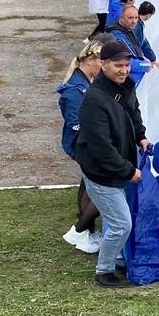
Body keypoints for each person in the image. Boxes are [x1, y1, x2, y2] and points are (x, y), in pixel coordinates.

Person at [73, 40, 149, 288]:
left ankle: (118, 259)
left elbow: (134, 112)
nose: (124, 70)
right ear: (103, 64)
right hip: (102, 173)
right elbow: (100, 146)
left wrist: (141, 136)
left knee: (116, 217)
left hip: (121, 165)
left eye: (126, 65)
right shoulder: (94, 100)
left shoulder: (126, 86)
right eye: (118, 65)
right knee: (121, 223)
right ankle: (104, 271)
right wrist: (128, 171)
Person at [57, 38, 106, 255]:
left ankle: (86, 230)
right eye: (101, 62)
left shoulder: (85, 82)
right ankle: (80, 230)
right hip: (84, 145)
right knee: (98, 188)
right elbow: (75, 123)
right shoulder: (74, 90)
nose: (103, 66)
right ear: (89, 60)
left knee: (87, 185)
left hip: (87, 143)